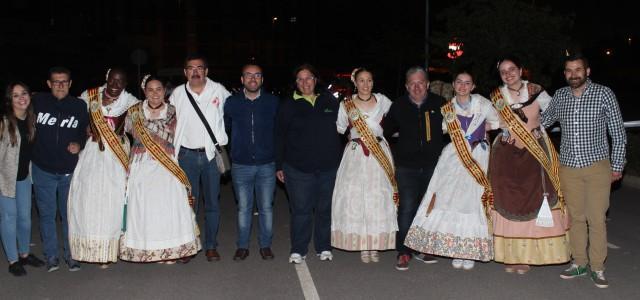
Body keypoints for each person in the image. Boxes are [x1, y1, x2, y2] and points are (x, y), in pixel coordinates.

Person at [542, 53, 626, 288]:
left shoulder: (604, 93)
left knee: (596, 218)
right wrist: (522, 119)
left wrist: (617, 166)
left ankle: (597, 267)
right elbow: (544, 121)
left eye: (578, 69)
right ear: (565, 73)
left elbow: (618, 134)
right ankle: (579, 262)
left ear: (587, 71)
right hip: (568, 167)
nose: (573, 74)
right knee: (576, 218)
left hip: (597, 166)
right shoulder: (560, 95)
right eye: (569, 70)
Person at [404, 71, 500, 270]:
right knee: (452, 200)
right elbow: (442, 129)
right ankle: (457, 249)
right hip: (454, 156)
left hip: (478, 156)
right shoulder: (447, 108)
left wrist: (485, 130)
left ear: (473, 86)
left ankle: (471, 251)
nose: (463, 86)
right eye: (459, 82)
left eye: (467, 83)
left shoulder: (482, 103)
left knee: (473, 201)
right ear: (454, 85)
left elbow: (498, 121)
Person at [489, 56, 570, 275]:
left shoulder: (536, 90)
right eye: (503, 71)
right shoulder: (497, 96)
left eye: (512, 69)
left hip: (535, 153)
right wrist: (500, 127)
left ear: (521, 70)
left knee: (536, 198)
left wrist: (540, 126)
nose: (508, 74)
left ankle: (529, 256)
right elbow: (489, 121)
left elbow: (555, 112)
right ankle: (511, 255)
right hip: (507, 154)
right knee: (508, 201)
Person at [119, 75, 201, 263]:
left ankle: (169, 250)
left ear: (164, 91)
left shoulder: (174, 111)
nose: (154, 93)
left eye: (158, 89)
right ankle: (147, 250)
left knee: (168, 207)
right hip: (142, 164)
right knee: (145, 208)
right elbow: (123, 135)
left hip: (167, 166)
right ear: (144, 92)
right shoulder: (134, 112)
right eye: (150, 89)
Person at [68, 68, 139, 265]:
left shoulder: (131, 102)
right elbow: (76, 121)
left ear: (126, 84)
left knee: (112, 201)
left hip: (116, 156)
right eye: (113, 80)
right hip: (91, 153)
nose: (116, 85)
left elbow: (138, 128)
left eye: (121, 81)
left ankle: (110, 250)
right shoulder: (88, 96)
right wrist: (84, 128)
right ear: (106, 78)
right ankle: (90, 250)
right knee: (88, 200)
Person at [276, 64, 342, 264]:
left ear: (316, 80)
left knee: (324, 209)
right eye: (300, 79)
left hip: (328, 166)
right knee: (301, 210)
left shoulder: (330, 100)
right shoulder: (288, 104)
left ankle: (323, 247)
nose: (305, 82)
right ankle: (298, 249)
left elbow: (345, 127)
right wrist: (279, 165)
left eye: (309, 78)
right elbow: (279, 136)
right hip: (297, 167)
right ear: (296, 83)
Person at [331, 68, 397, 263]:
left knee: (378, 198)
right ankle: (361, 244)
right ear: (355, 82)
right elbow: (341, 128)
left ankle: (374, 243)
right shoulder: (346, 105)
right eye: (361, 80)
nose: (365, 84)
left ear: (373, 82)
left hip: (379, 155)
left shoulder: (383, 101)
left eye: (369, 80)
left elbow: (397, 120)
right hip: (356, 155)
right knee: (356, 197)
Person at [383, 66, 446, 271]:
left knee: (428, 208)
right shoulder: (398, 105)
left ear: (427, 84)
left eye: (420, 82)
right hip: (406, 167)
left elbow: (456, 129)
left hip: (433, 165)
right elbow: (384, 131)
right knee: (407, 208)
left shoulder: (440, 103)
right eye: (412, 83)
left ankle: (423, 248)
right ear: (406, 86)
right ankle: (403, 251)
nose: (417, 87)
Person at [170, 54, 231, 262]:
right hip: (186, 155)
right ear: (185, 72)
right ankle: (189, 245)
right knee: (189, 203)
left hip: (211, 156)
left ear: (206, 71)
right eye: (191, 68)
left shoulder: (219, 91)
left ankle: (211, 245)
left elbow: (234, 114)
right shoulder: (177, 94)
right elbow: (166, 121)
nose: (195, 71)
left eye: (199, 68)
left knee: (212, 203)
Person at [31, 67, 88, 272]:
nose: (60, 85)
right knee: (47, 215)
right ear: (48, 84)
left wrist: (79, 144)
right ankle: (52, 256)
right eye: (56, 82)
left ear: (71, 83)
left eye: (64, 81)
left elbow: (84, 131)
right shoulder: (38, 102)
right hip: (42, 169)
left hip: (69, 171)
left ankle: (71, 256)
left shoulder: (79, 106)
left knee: (68, 215)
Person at [224, 64, 279, 261]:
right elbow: (225, 130)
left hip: (267, 164)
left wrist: (279, 162)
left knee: (266, 207)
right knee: (244, 208)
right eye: (248, 75)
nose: (253, 79)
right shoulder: (231, 103)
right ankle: (243, 246)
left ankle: (265, 245)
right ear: (242, 79)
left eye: (257, 75)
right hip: (241, 164)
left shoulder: (273, 102)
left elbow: (279, 133)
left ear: (262, 80)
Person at [0, 82, 45, 276]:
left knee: (25, 219)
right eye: (16, 95)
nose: (21, 98)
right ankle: (13, 259)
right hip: (5, 180)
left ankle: (24, 253)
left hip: (24, 178)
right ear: (10, 100)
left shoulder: (30, 120)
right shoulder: (4, 123)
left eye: (24, 93)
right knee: (9, 219)